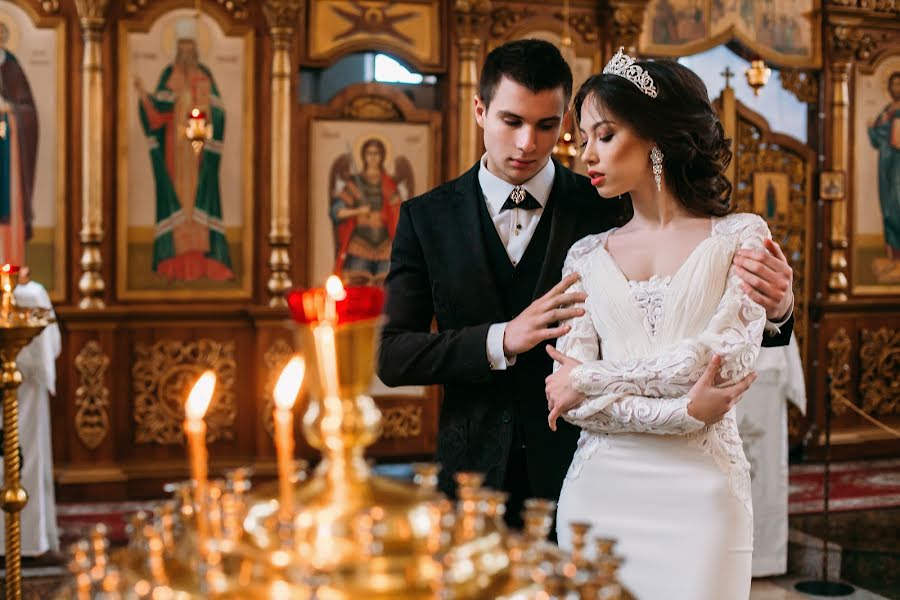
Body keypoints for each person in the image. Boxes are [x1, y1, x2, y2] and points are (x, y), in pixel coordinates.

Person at [377, 39, 795, 530]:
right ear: (480, 110)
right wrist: (500, 339)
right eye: (511, 122)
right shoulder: (426, 218)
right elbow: (393, 355)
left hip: (584, 468)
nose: (527, 143)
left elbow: (697, 301)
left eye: (547, 126)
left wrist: (780, 306)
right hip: (472, 474)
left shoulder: (609, 202)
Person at [545, 51, 788, 598]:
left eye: (603, 135)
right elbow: (572, 406)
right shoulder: (584, 256)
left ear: (656, 135)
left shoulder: (741, 238)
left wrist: (591, 378)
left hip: (703, 499)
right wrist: (683, 410)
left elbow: (720, 364)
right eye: (583, 139)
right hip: (598, 498)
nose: (587, 154)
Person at [135, 18, 233, 282]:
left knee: (197, 202)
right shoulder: (169, 75)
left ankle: (203, 264)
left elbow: (220, 112)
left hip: (198, 151)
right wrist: (145, 97)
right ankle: (175, 264)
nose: (187, 51)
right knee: (178, 202)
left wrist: (205, 108)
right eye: (183, 46)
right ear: (177, 48)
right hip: (174, 153)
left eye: (191, 46)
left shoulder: (205, 75)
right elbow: (157, 114)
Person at [0, 267, 60, 560]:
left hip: (25, 390)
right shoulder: (31, 295)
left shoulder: (30, 295)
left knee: (20, 454)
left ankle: (28, 538)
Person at [329, 138, 410, 286]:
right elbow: (336, 212)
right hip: (359, 246)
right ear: (364, 156)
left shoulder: (389, 183)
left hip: (385, 248)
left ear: (382, 157)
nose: (373, 157)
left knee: (387, 293)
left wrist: (384, 215)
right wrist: (358, 211)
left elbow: (400, 213)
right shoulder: (354, 183)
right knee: (357, 290)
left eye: (377, 154)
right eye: (369, 153)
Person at [0, 21, 38, 266]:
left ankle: (12, 265)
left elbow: (28, 109)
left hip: (8, 144)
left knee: (9, 197)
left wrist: (9, 110)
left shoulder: (12, 65)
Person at [868, 71, 900, 282]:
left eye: (899, 85)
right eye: (894, 84)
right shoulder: (888, 110)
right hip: (885, 164)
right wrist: (872, 129)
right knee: (887, 207)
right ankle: (893, 258)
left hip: (898, 164)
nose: (896, 88)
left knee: (897, 206)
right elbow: (878, 138)